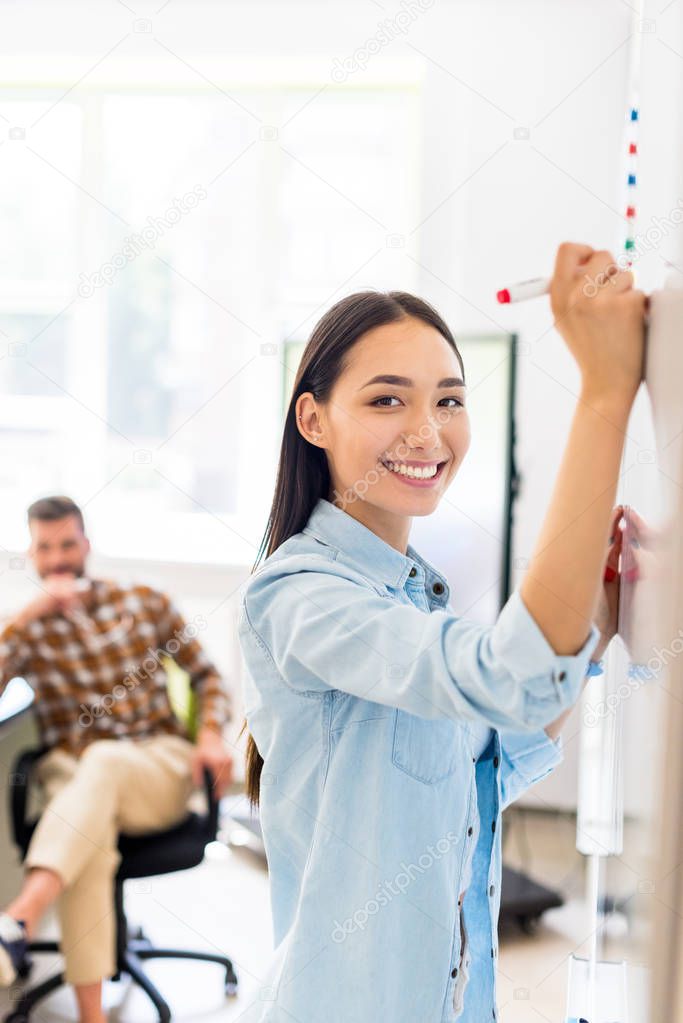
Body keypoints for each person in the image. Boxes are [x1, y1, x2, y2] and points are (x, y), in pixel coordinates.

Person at [236, 242, 645, 1021]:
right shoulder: (300, 594)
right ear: (313, 418)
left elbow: (485, 760)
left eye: (449, 400)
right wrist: (603, 393)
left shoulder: (413, 590)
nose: (427, 431)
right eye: (387, 400)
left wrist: (600, 614)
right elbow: (510, 677)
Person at [0, 496, 234, 1023]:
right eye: (45, 548)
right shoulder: (26, 630)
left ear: (86, 544)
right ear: (31, 554)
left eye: (67, 544)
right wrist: (25, 618)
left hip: (157, 763)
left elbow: (207, 676)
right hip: (72, 771)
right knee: (88, 841)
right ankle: (92, 1017)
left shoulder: (144, 600)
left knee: (101, 762)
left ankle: (21, 914)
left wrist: (212, 734)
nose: (58, 558)